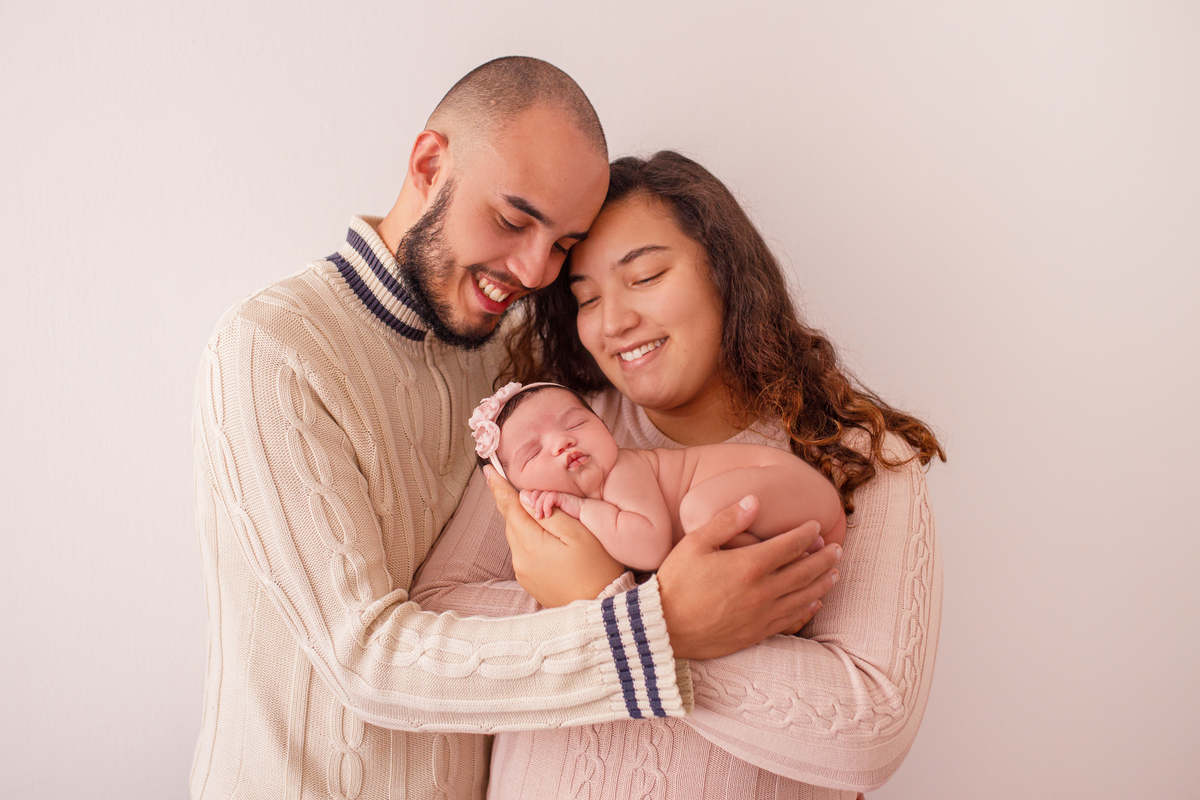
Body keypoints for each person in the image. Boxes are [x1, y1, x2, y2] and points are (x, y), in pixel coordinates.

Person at [191, 60, 841, 800]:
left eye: (562, 244)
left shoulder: (514, 361)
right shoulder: (274, 351)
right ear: (430, 164)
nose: (535, 271)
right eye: (511, 219)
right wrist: (651, 629)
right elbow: (363, 662)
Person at [411, 150, 945, 798]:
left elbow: (869, 729)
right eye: (585, 299)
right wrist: (640, 618)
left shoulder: (856, 457)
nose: (613, 323)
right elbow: (436, 629)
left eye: (646, 276)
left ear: (725, 273)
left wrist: (618, 609)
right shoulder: (553, 436)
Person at [468, 381, 846, 571]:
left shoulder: (622, 472)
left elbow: (649, 548)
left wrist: (580, 510)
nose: (562, 442)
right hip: (784, 505)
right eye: (533, 452)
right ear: (521, 490)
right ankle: (787, 558)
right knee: (702, 520)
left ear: (603, 425)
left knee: (700, 511)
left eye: (577, 423)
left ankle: (782, 565)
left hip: (788, 483)